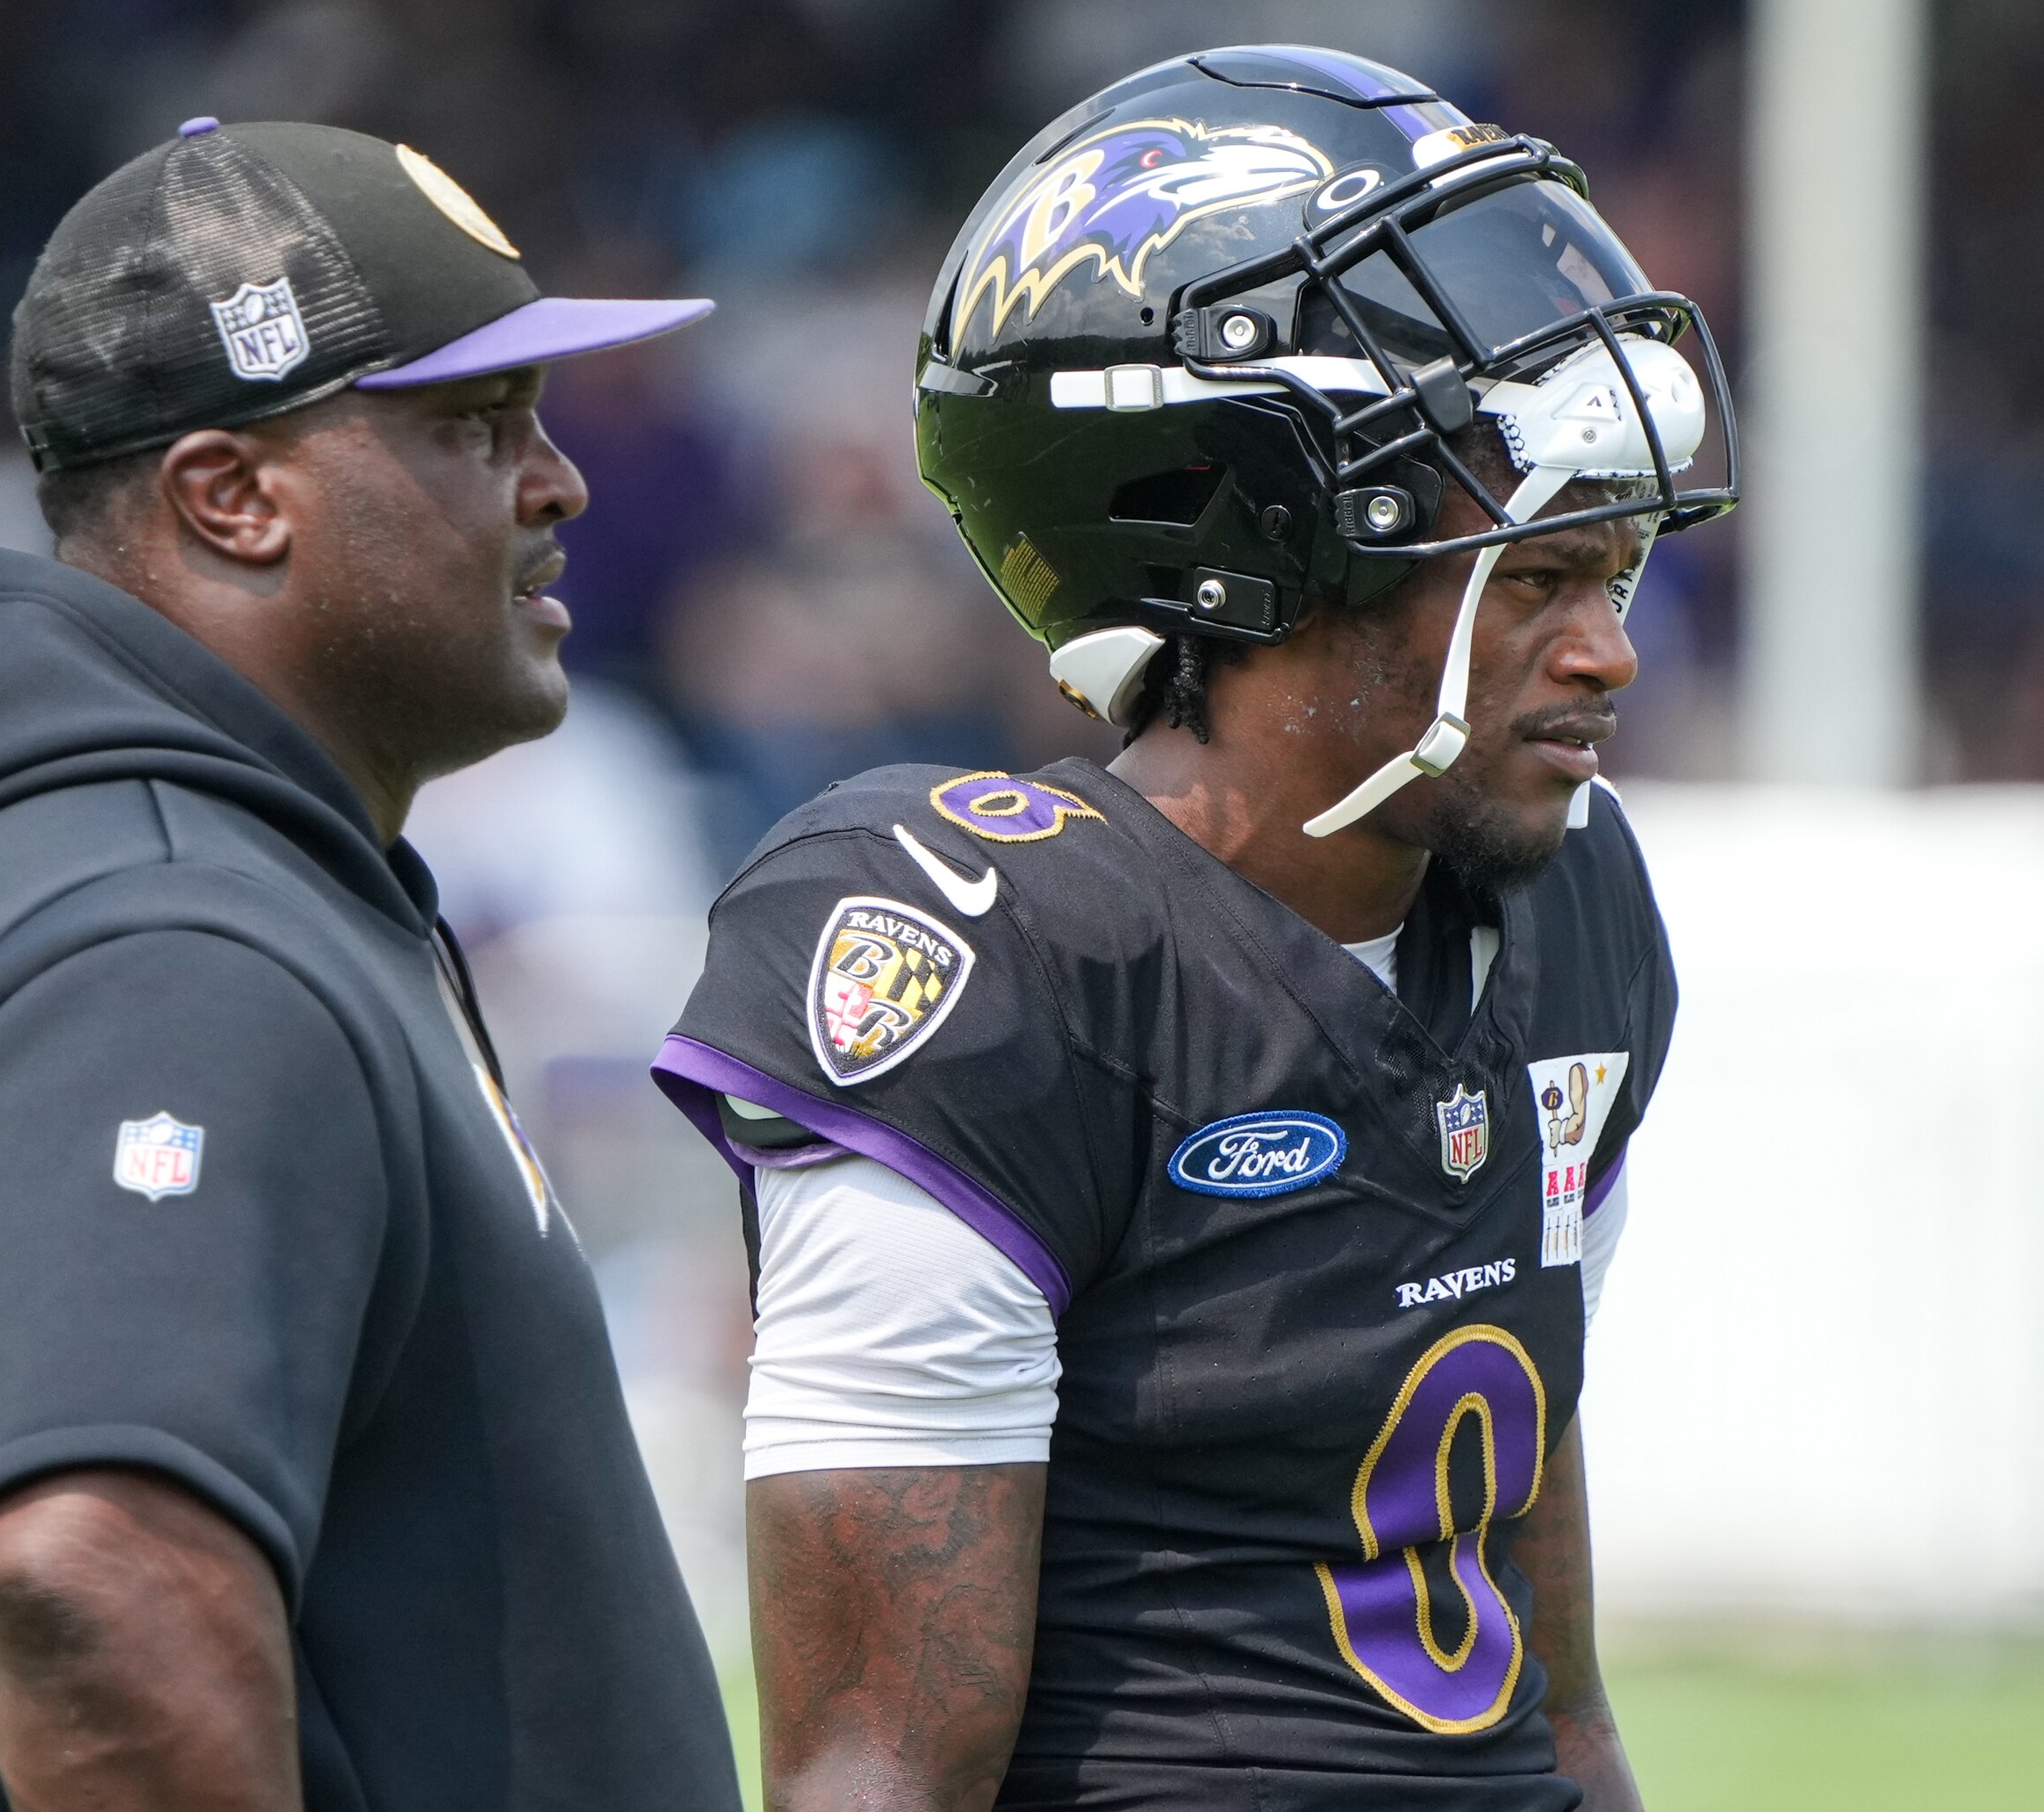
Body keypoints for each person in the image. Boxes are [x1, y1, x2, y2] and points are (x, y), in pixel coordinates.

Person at [651, 46, 1734, 1812]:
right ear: (1259, 546)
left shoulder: (1570, 899)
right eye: (1534, 580)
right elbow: (876, 1770)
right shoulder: (1000, 951)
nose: (1607, 652)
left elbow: (1555, 1695)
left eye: (1610, 577)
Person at [0, 118, 741, 1812]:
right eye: (474, 426)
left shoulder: (162, 876)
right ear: (231, 497)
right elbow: (93, 1576)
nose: (557, 484)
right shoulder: (171, 935)